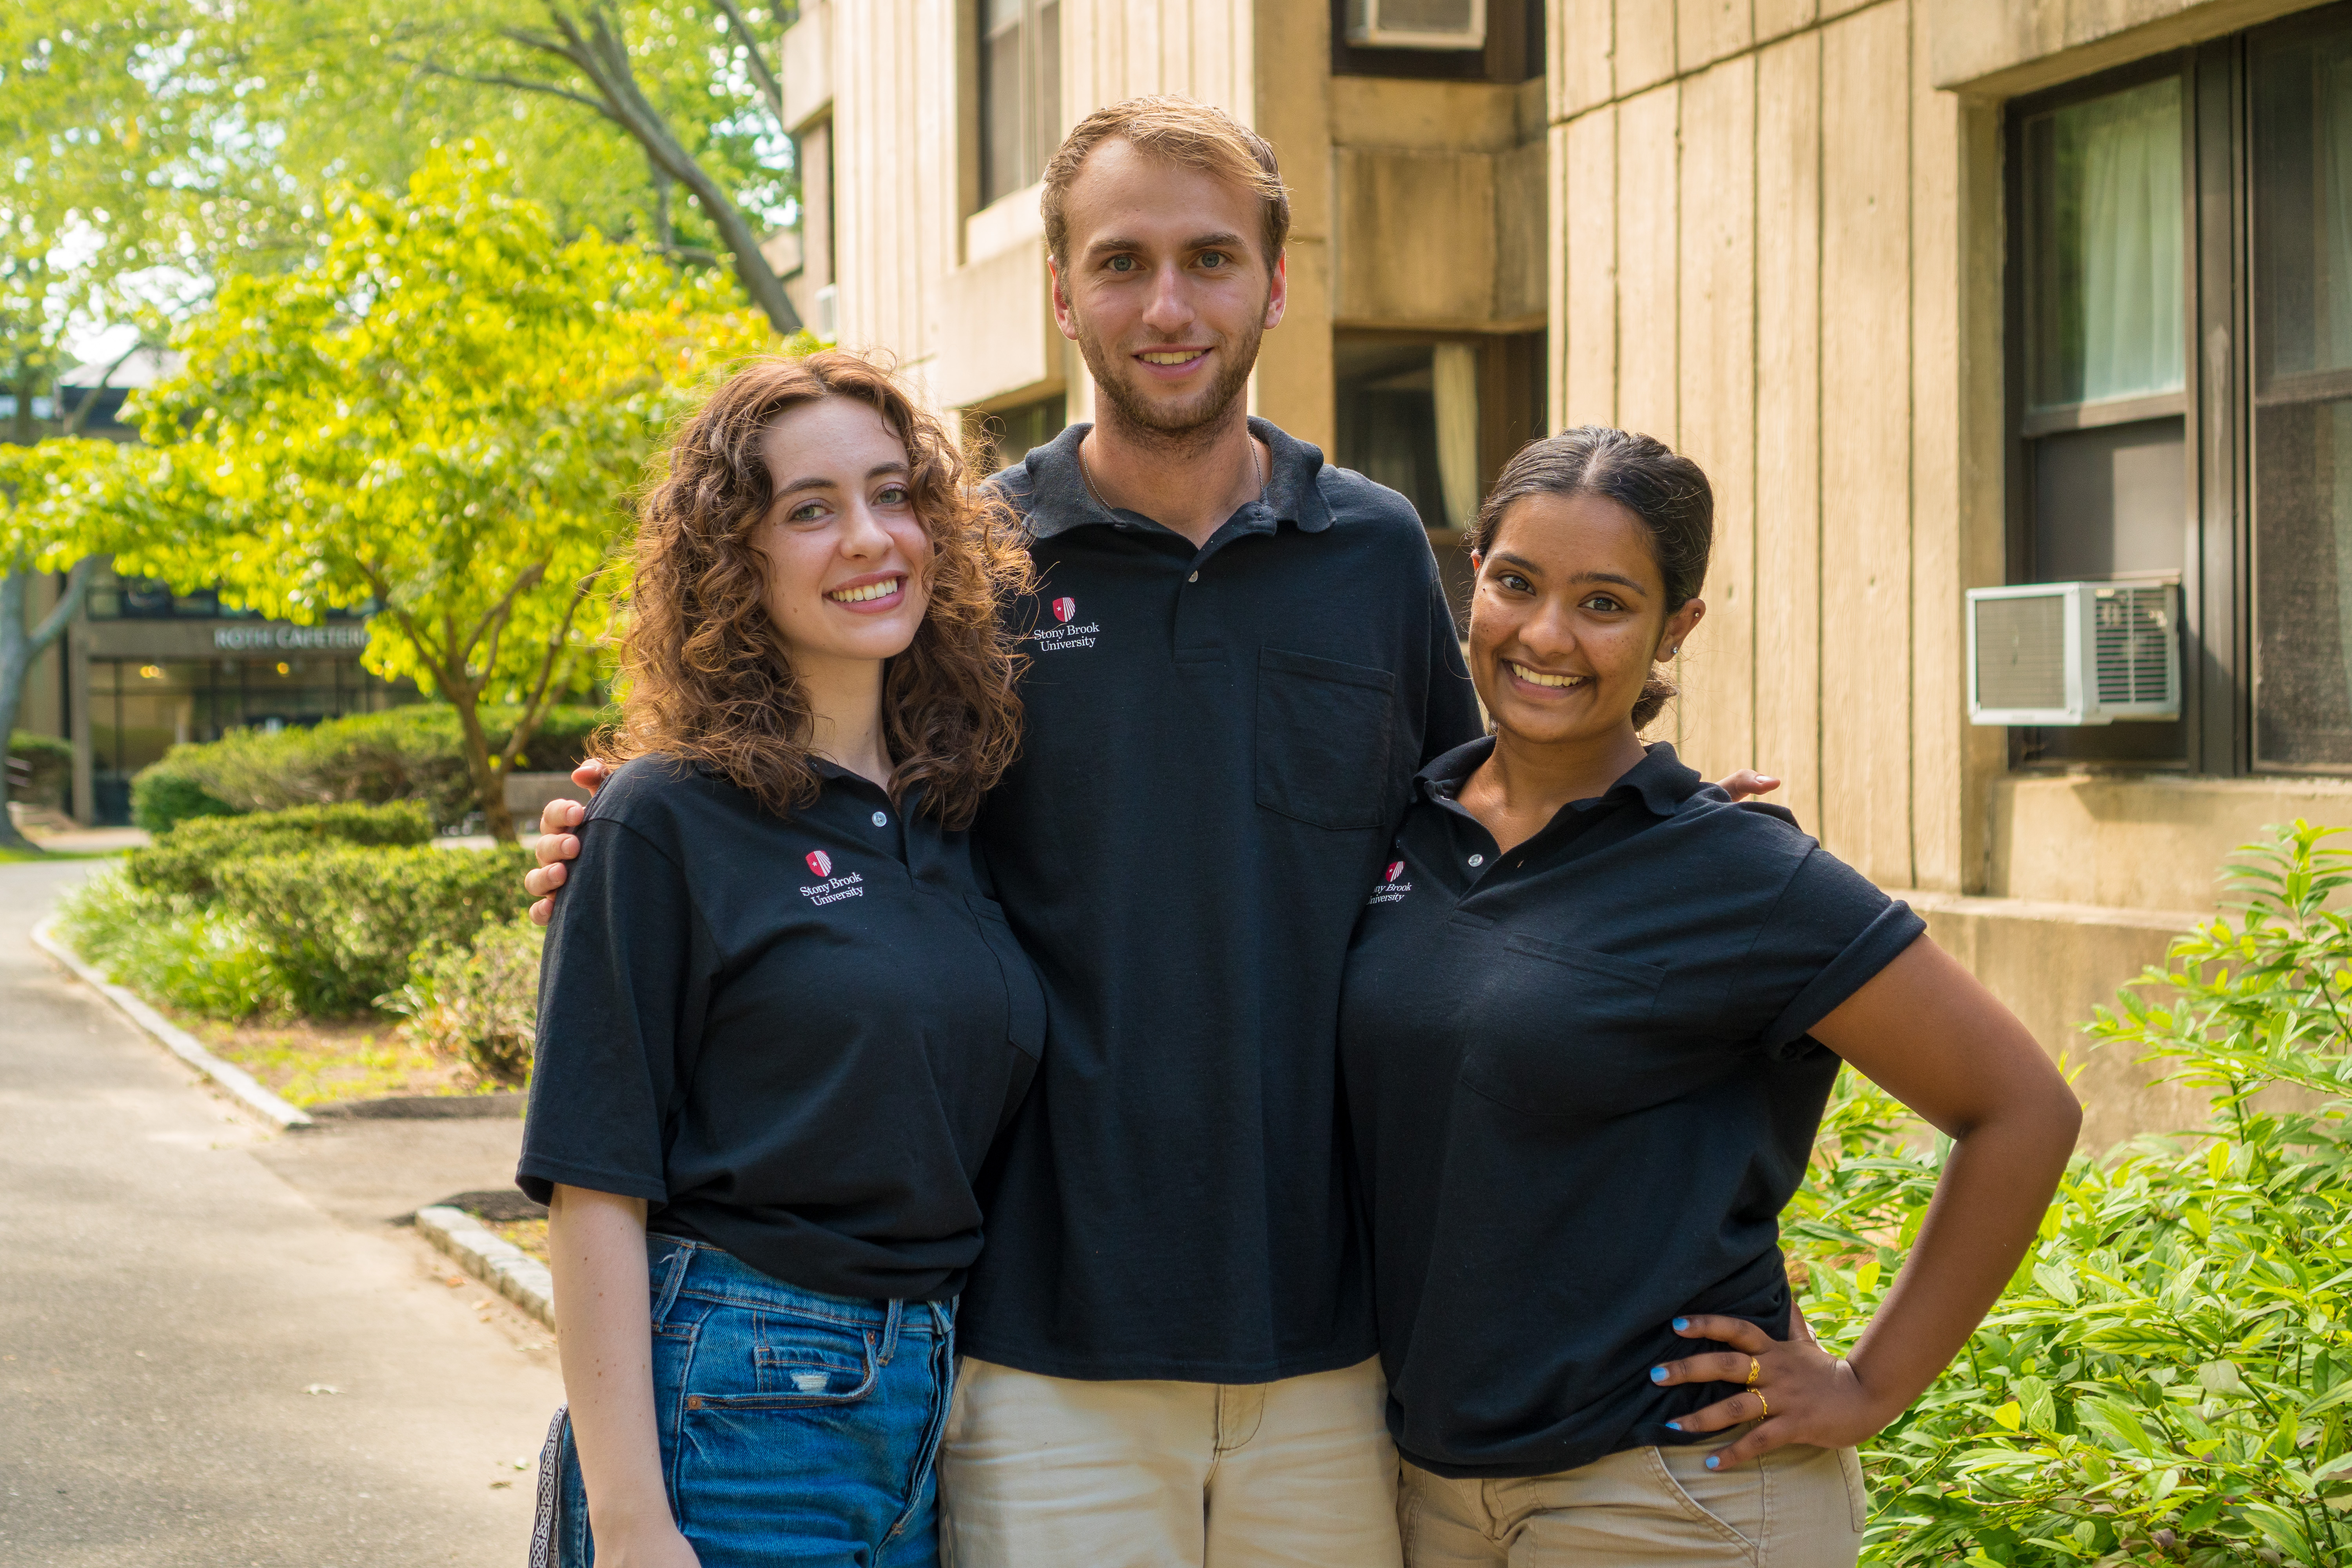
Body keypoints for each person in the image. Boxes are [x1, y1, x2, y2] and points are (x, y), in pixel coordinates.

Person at [528, 98, 1773, 1567]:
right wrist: (627, 837)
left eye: (1210, 259)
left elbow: (1486, 817)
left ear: (1276, 283)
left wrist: (1666, 824)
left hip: (1331, 1336)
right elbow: (825, 795)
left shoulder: (1372, 549)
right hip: (1036, 1342)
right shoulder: (966, 564)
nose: (1166, 306)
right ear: (1062, 293)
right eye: (1120, 263)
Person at [1338, 427, 2083, 1567]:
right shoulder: (1403, 825)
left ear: (1674, 627)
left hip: (1674, 1496)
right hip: (1432, 1490)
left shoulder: (1741, 874)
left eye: (1605, 603)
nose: (1546, 636)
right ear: (1472, 575)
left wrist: (1869, 1385)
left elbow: (2023, 1109)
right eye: (1518, 583)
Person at [519, 352, 1042, 1568]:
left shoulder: (953, 816)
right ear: (732, 559)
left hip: (925, 1407)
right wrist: (639, 1526)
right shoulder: (661, 817)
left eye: (895, 495)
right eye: (811, 510)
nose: (870, 538)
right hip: (733, 1406)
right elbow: (595, 1188)